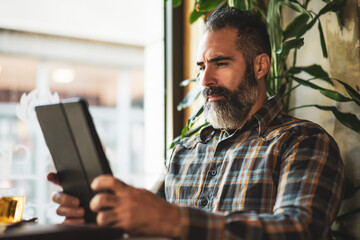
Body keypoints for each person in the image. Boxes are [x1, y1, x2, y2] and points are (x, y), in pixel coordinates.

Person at [47, 8, 344, 239]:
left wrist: (171, 220)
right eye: (202, 66)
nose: (205, 80)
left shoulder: (302, 141)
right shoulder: (185, 151)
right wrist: (97, 213)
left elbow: (299, 231)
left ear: (260, 66)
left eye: (220, 63)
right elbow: (146, 220)